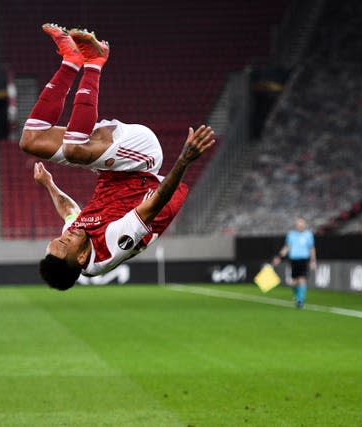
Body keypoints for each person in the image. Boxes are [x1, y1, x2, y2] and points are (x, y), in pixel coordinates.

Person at [19, 24, 216, 290]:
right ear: (80, 258)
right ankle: (95, 61)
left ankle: (71, 60)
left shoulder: (70, 243)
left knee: (31, 140)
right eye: (64, 242)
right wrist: (184, 159)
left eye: (59, 238)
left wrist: (49, 185)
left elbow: (68, 211)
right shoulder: (112, 247)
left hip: (115, 168)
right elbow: (155, 205)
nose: (65, 235)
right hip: (142, 161)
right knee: (75, 149)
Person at [272, 217, 317, 308]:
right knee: (293, 283)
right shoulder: (291, 235)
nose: (300, 226)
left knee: (302, 279)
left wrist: (313, 261)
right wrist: (279, 257)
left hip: (304, 260)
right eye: (298, 224)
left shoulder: (308, 235)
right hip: (294, 260)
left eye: (302, 224)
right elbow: (287, 247)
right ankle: (297, 296)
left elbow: (311, 248)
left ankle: (300, 300)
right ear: (296, 226)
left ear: (304, 225)